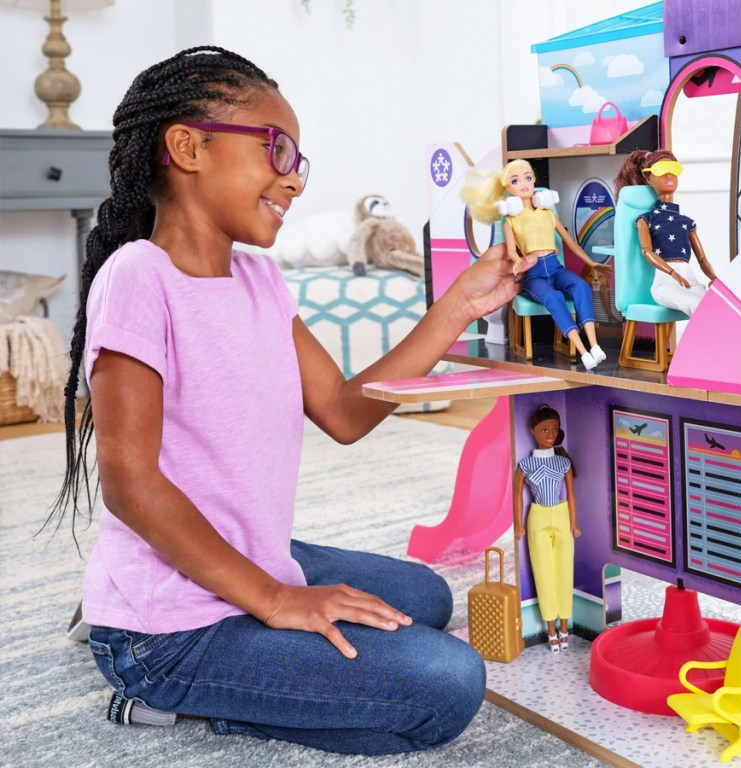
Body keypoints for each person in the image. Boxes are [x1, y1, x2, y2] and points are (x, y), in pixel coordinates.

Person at [47, 46, 536, 757]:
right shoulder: (138, 276)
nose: (294, 180)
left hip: (237, 555)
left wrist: (459, 305)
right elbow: (129, 484)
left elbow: (342, 409)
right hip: (171, 636)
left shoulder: (261, 280)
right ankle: (147, 670)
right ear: (186, 147)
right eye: (277, 150)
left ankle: (212, 577)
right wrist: (278, 598)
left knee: (425, 598)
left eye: (299, 162)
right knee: (446, 684)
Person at [461, 159, 611, 370]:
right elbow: (512, 251)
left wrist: (592, 263)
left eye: (528, 177)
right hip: (534, 275)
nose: (523, 183)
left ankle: (594, 345)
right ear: (508, 188)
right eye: (515, 180)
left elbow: (569, 242)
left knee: (581, 286)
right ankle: (583, 352)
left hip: (555, 267)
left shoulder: (548, 213)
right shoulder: (511, 220)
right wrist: (518, 261)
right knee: (553, 296)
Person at [613, 149, 717, 316]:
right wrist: (672, 273)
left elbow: (702, 259)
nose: (669, 176)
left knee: (717, 306)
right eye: (662, 171)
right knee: (695, 304)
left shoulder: (687, 222)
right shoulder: (645, 220)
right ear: (648, 177)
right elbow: (646, 251)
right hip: (665, 283)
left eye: (674, 170)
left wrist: (715, 278)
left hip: (691, 281)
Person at [512, 404, 580, 653]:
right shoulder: (525, 465)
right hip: (538, 516)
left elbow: (571, 494)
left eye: (554, 429)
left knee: (564, 571)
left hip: (561, 515)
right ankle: (551, 629)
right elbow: (518, 496)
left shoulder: (563, 462)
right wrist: (519, 524)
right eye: (544, 429)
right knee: (543, 572)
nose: (550, 434)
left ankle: (565, 626)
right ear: (533, 431)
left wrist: (574, 521)